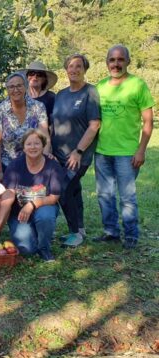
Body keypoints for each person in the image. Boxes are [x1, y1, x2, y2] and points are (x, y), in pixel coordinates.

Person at [94, 44, 154, 249]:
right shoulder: (100, 86)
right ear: (106, 62)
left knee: (127, 197)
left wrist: (141, 150)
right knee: (104, 195)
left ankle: (131, 235)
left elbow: (148, 121)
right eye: (112, 60)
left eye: (120, 59)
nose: (116, 64)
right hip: (102, 151)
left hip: (127, 152)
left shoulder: (138, 85)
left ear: (128, 61)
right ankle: (110, 231)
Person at [0, 129, 64, 261]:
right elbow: (9, 194)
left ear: (43, 145)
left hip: (43, 207)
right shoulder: (15, 165)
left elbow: (54, 197)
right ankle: (35, 233)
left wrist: (31, 204)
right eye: (29, 144)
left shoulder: (53, 166)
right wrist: (0, 220)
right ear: (23, 147)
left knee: (45, 216)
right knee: (27, 249)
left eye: (37, 143)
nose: (33, 147)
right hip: (19, 213)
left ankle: (44, 248)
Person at [52, 54, 101, 247]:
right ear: (66, 69)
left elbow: (94, 125)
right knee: (74, 190)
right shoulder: (61, 94)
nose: (74, 69)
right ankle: (80, 228)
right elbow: (54, 123)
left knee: (63, 189)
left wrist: (78, 151)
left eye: (78, 66)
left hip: (78, 156)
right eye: (70, 66)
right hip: (58, 155)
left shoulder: (90, 92)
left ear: (85, 69)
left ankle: (75, 233)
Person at [0, 72, 50, 180]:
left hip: (35, 164)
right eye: (11, 87)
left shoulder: (38, 107)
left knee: (36, 196)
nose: (15, 90)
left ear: (26, 87)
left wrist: (44, 165)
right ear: (7, 90)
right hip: (9, 167)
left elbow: (45, 137)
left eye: (19, 85)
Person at [23, 61, 57, 126]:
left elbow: (54, 122)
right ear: (27, 77)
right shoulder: (20, 95)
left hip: (43, 134)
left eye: (39, 74)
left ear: (44, 79)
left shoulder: (51, 97)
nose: (35, 77)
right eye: (31, 73)